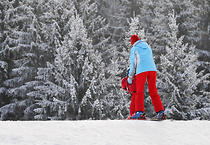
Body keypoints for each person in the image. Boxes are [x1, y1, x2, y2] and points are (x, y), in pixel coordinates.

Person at [127, 34, 166, 120]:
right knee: (153, 91)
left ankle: (139, 112)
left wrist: (130, 76)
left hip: (142, 70)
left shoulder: (134, 49)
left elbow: (133, 64)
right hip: (152, 69)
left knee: (139, 91)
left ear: (133, 42)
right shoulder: (148, 47)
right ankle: (160, 112)